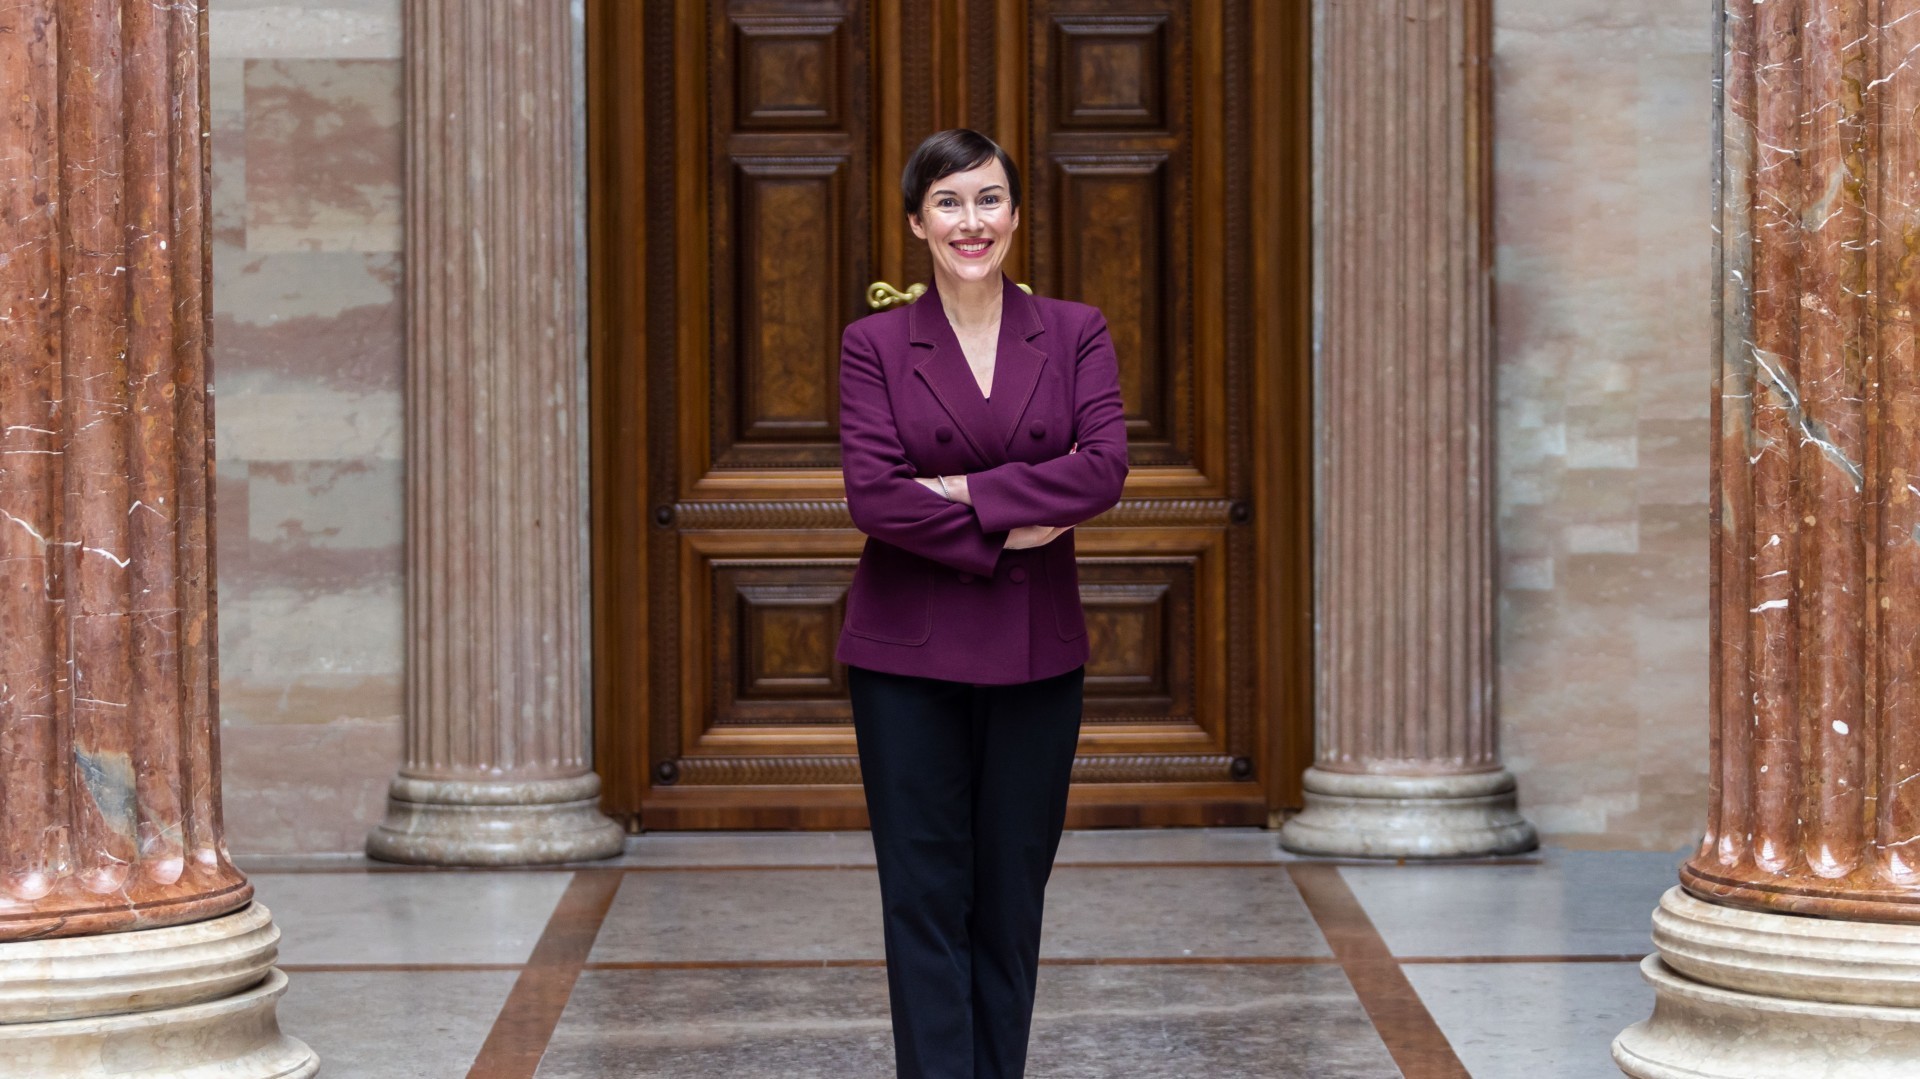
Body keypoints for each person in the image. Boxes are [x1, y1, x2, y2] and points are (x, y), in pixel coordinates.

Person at [835, 128, 1130, 1079]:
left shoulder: (1075, 329)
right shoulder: (874, 342)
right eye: (951, 202)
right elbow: (875, 495)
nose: (974, 221)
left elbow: (1102, 469)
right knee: (923, 897)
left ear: (1014, 213)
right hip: (904, 660)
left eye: (990, 198)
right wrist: (1012, 518)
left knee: (1010, 898)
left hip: (1036, 653)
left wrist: (962, 493)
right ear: (917, 222)